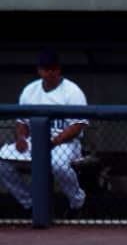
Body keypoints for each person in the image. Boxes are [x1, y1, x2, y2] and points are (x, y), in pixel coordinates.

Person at [0, 49, 88, 218]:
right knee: (2, 162)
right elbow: (22, 122)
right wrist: (21, 138)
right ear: (39, 70)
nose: (49, 72)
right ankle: (30, 204)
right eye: (45, 68)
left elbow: (77, 126)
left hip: (65, 143)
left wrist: (53, 142)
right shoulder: (30, 90)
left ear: (58, 70)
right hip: (35, 141)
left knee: (58, 165)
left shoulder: (72, 91)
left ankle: (77, 202)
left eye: (52, 69)